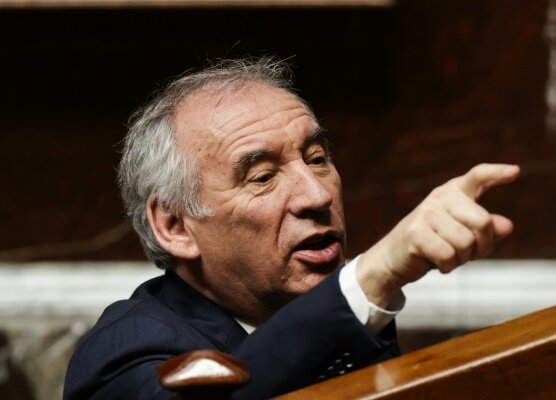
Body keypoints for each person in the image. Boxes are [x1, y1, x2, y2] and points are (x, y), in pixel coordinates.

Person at [63, 56, 520, 399]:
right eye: (262, 177)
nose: (316, 196)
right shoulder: (125, 349)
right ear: (175, 226)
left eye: (317, 159)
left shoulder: (341, 325)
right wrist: (373, 276)